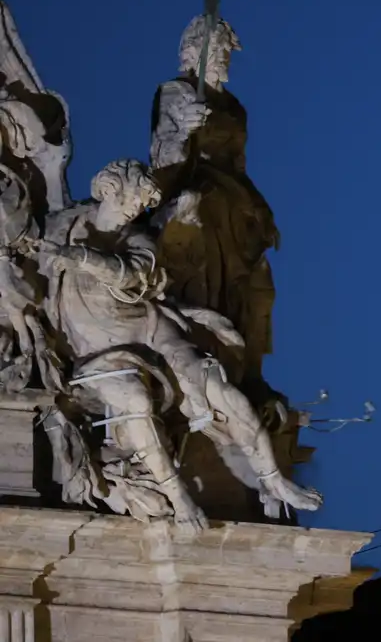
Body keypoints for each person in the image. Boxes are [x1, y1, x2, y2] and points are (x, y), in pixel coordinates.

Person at [30, 159, 320, 533]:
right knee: (135, 400)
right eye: (133, 200)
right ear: (108, 190)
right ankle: (178, 496)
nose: (136, 210)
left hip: (152, 333)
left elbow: (129, 274)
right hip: (96, 355)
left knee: (218, 388)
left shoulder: (140, 241)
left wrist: (79, 257)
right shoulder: (64, 225)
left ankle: (273, 478)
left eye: (142, 205)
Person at [149, 12, 281, 418]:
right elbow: (162, 154)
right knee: (199, 222)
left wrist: (261, 208)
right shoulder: (175, 92)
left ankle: (251, 366)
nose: (224, 55)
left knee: (259, 275)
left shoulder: (235, 108)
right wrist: (184, 132)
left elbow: (238, 165)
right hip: (196, 187)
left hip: (234, 197)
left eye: (226, 50)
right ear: (194, 52)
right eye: (218, 48)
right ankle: (200, 330)